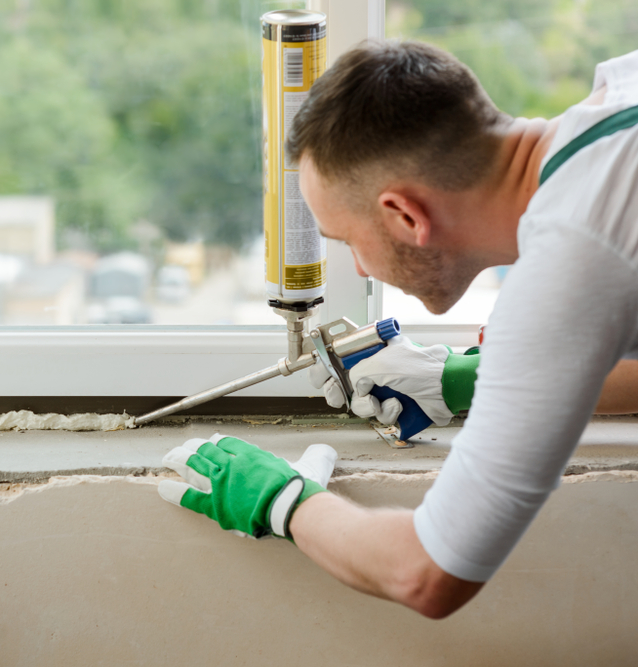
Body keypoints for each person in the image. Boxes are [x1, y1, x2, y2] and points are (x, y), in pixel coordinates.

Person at [158, 40, 638, 619]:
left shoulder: (571, 261)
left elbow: (426, 573)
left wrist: (286, 501)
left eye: (348, 241)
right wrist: (470, 378)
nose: (358, 268)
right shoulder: (621, 94)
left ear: (407, 216)